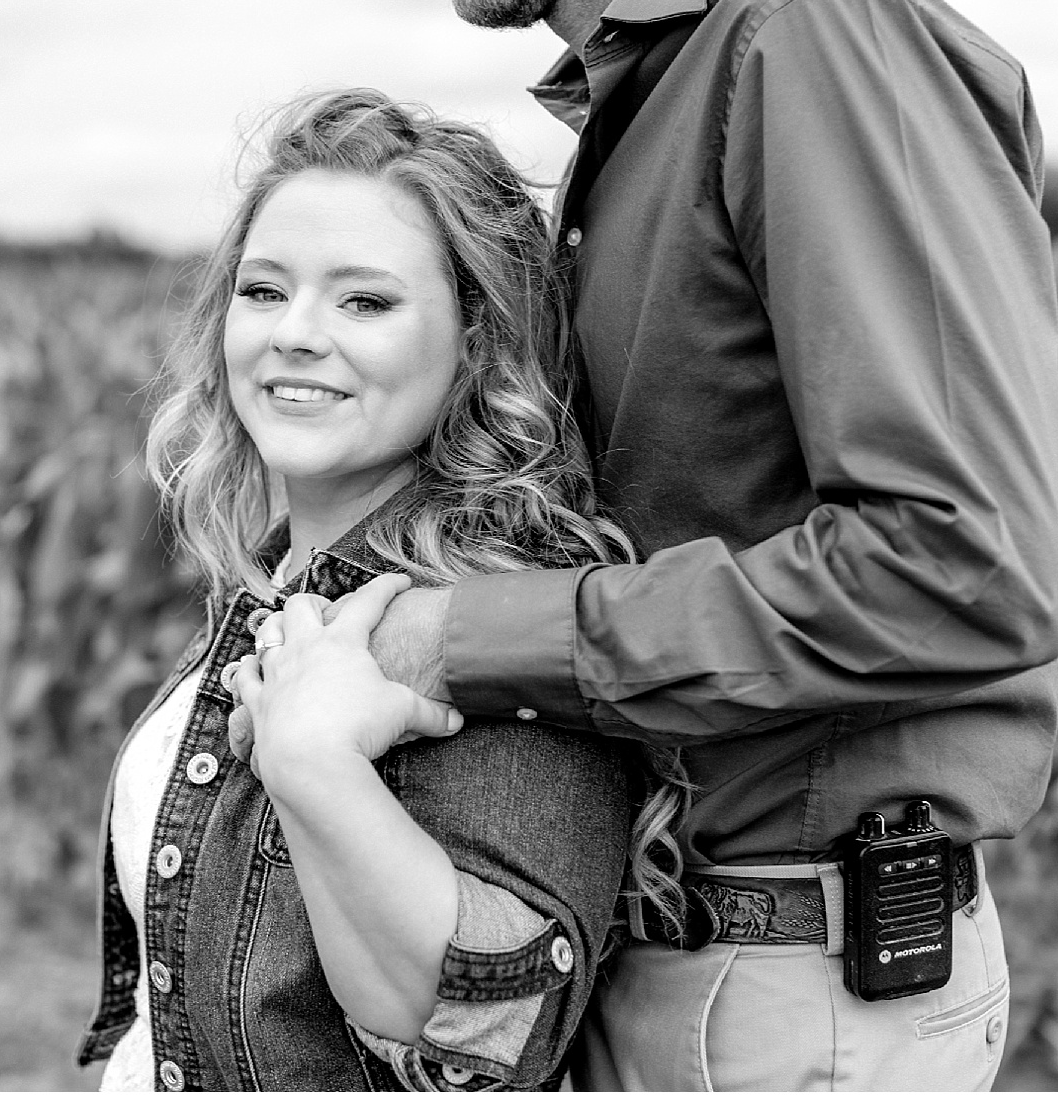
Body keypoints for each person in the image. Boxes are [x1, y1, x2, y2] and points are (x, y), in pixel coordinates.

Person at [300, 0, 1058, 1091]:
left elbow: (957, 571)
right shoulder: (662, 87)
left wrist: (456, 641)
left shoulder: (810, 28)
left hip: (782, 992)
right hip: (666, 956)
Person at [75, 89, 689, 1091]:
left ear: (475, 343)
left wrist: (316, 761)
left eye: (365, 300)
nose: (296, 335)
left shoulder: (488, 611)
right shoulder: (278, 582)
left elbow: (483, 1035)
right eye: (265, 291)